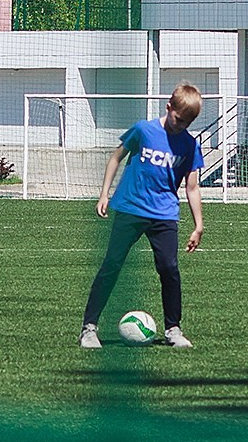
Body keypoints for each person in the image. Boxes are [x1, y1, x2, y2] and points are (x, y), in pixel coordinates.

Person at [80, 84, 205, 349]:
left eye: (187, 123)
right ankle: (89, 328)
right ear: (168, 108)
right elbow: (116, 158)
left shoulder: (190, 144)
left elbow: (192, 186)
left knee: (169, 269)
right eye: (178, 119)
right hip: (130, 207)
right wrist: (104, 194)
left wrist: (198, 225)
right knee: (112, 264)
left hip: (164, 213)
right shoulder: (143, 130)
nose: (181, 126)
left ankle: (173, 329)